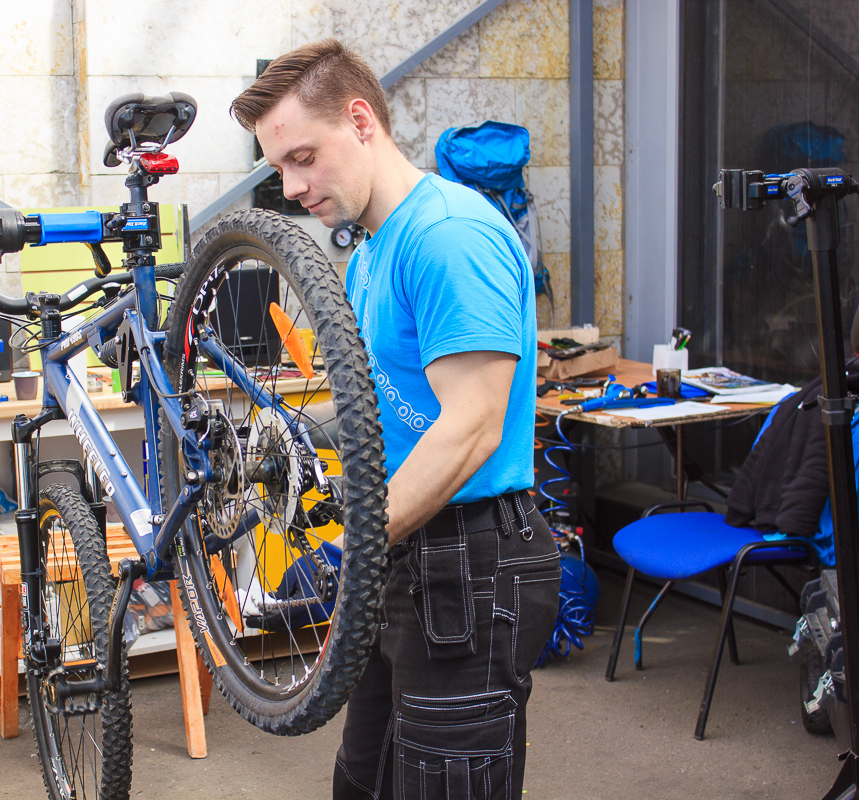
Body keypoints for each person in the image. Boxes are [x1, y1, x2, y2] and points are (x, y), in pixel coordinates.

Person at [229, 40, 561, 800]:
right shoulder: (373, 249)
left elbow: (472, 427)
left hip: (470, 562)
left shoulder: (447, 234)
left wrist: (351, 544)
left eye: (304, 157)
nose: (293, 184)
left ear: (360, 119)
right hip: (409, 552)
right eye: (280, 168)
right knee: (366, 782)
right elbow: (391, 406)